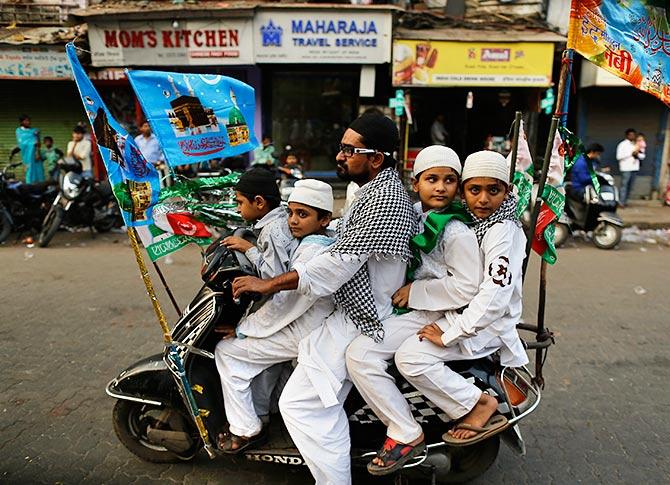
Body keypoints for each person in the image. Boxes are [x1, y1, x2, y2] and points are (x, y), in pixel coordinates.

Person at [231, 113, 417, 484]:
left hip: (363, 317)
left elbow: (339, 262)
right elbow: (343, 237)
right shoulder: (371, 191)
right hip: (345, 311)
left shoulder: (387, 200)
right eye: (342, 147)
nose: (340, 155)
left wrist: (267, 285)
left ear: (376, 158)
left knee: (302, 404)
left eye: (349, 150)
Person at [346, 145, 482, 475]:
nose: (440, 187)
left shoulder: (455, 230)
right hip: (414, 309)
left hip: (433, 312)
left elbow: (467, 286)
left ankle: (406, 431)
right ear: (415, 182)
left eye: (449, 180)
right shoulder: (415, 214)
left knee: (360, 355)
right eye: (432, 179)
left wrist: (415, 291)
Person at [394, 150, 529, 447]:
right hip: (465, 314)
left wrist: (451, 334)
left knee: (411, 358)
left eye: (493, 190)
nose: (482, 199)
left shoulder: (502, 230)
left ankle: (476, 404)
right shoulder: (471, 220)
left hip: (485, 326)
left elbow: (494, 295)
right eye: (474, 190)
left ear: (506, 191)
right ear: (463, 190)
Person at [214, 180, 336, 453]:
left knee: (227, 352)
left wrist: (244, 328)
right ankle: (262, 412)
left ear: (324, 219)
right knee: (263, 359)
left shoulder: (312, 250)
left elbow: (284, 301)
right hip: (309, 326)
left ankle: (245, 428)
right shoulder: (315, 240)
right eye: (291, 212)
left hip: (305, 331)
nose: (293, 221)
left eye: (302, 215)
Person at [221, 167, 299, 279]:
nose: (237, 209)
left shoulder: (272, 231)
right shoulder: (282, 217)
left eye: (240, 203)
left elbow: (272, 277)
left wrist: (248, 248)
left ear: (259, 202)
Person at [134, 120, 168, 186]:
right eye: (145, 126)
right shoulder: (137, 140)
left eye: (149, 126)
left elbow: (163, 151)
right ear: (141, 128)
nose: (148, 128)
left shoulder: (157, 139)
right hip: (142, 168)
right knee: (146, 187)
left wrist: (160, 161)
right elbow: (135, 152)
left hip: (156, 166)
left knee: (160, 185)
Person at [15, 114, 44, 183]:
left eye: (29, 120)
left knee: (38, 169)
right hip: (26, 154)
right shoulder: (19, 131)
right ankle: (29, 185)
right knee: (29, 169)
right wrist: (32, 143)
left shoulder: (34, 131)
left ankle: (40, 186)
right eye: (26, 121)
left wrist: (37, 152)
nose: (28, 122)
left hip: (35, 153)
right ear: (21, 122)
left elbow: (38, 144)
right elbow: (21, 142)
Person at [616, 128, 639, 207]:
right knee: (624, 186)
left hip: (634, 168)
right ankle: (620, 202)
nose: (632, 136)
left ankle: (625, 201)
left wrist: (637, 154)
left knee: (630, 186)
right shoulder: (622, 144)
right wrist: (631, 154)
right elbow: (618, 157)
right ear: (627, 135)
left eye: (634, 135)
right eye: (631, 135)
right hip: (626, 168)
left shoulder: (636, 144)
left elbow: (642, 156)